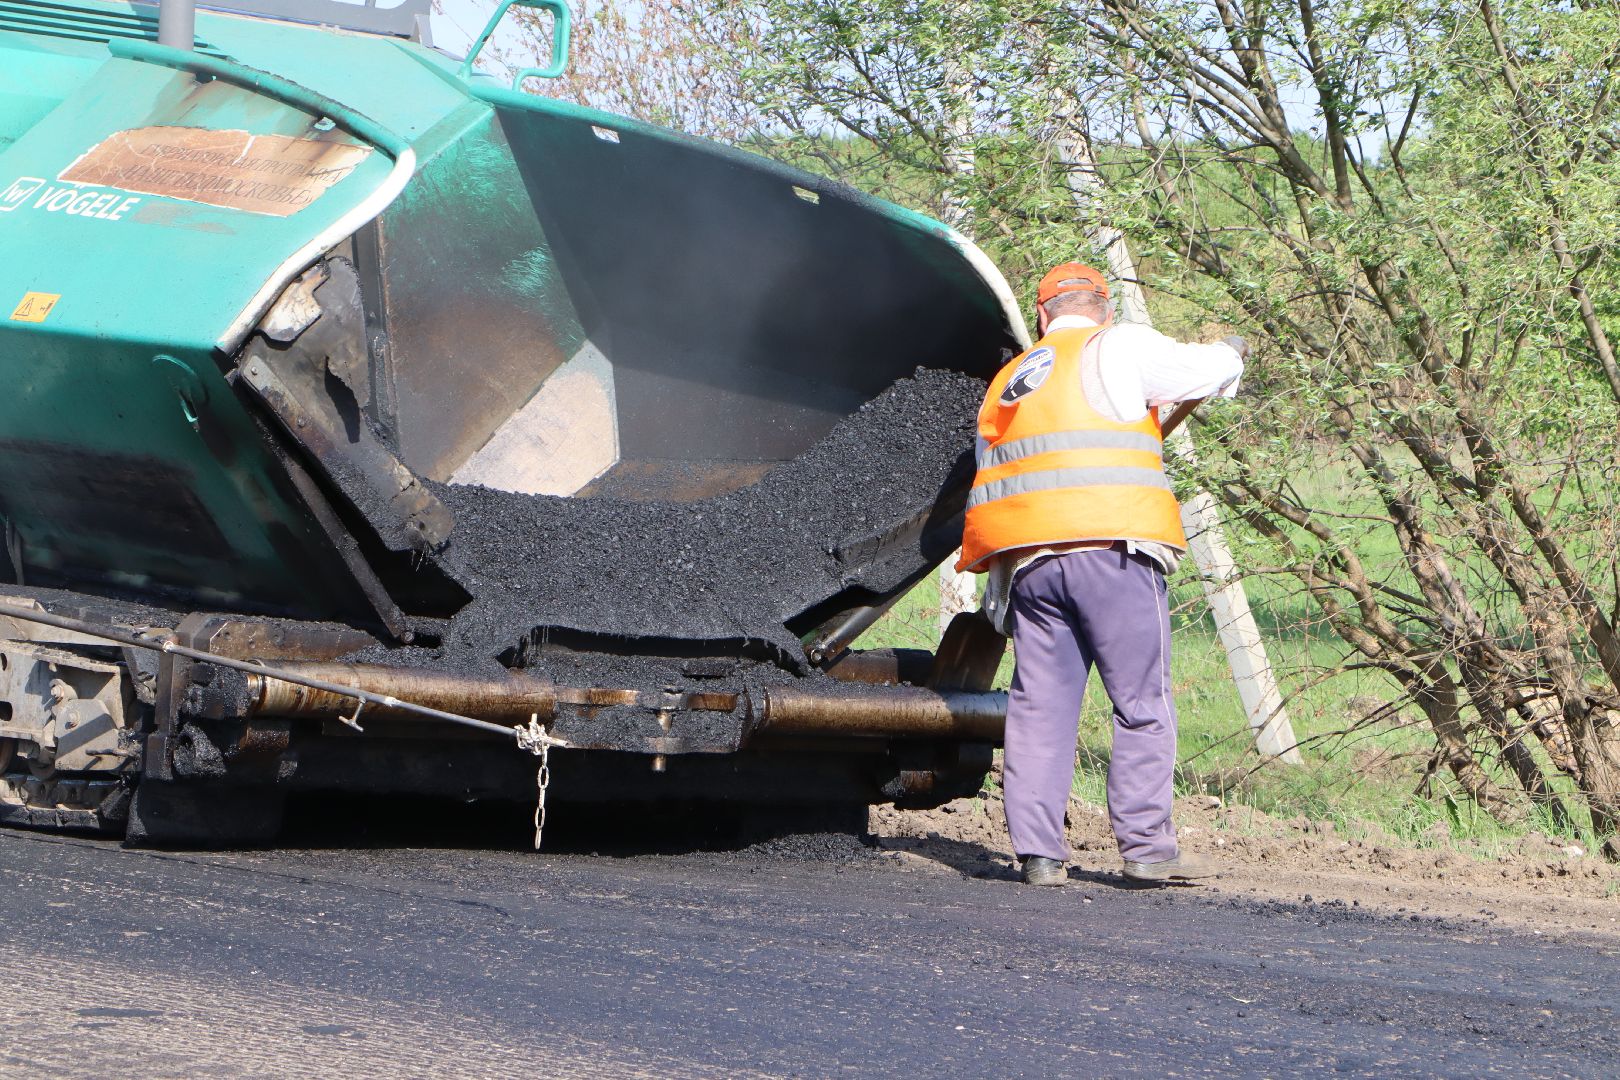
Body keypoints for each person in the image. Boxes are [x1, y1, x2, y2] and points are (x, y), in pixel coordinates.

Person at [957, 262, 1247, 887]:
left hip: (1031, 565)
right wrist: (1232, 352)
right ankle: (1145, 850)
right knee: (1141, 702)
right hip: (1113, 554)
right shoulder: (1118, 346)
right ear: (1105, 307)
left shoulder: (1010, 383)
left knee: (1040, 708)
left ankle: (1038, 854)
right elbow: (1207, 370)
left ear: (1042, 316)